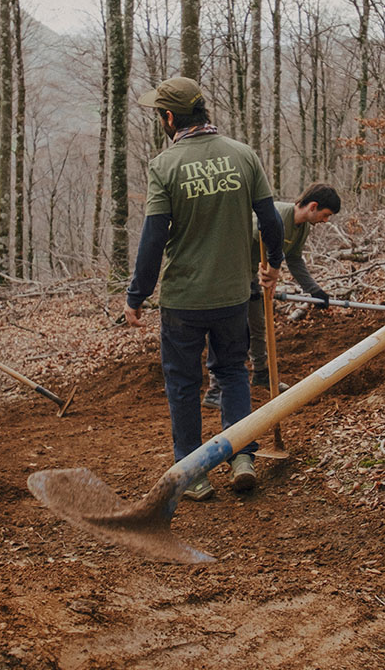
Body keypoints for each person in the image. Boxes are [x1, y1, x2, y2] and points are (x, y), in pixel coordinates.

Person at [124, 76, 285, 501]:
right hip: (234, 294)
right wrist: (275, 266)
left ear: (170, 117)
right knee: (232, 371)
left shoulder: (165, 165)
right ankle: (242, 456)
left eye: (160, 113)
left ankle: (193, 473)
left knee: (182, 383)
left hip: (184, 299)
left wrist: (136, 295)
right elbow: (271, 221)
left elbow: (154, 238)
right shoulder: (243, 155)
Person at [202, 182, 342, 409]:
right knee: (230, 331)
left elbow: (294, 260)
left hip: (258, 281)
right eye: (325, 215)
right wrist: (248, 280)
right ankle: (215, 389)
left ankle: (261, 374)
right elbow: (241, 240)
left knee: (259, 327)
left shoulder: (302, 228)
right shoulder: (275, 214)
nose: (325, 221)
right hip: (231, 274)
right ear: (313, 206)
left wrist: (315, 290)